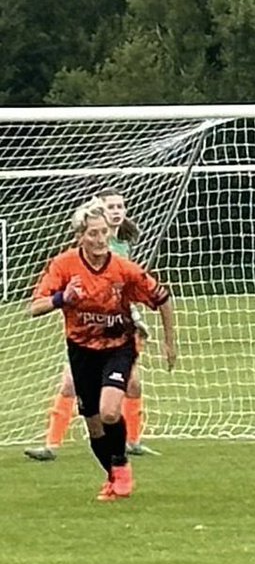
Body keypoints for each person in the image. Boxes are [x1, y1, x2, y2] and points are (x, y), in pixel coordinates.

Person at [28, 200, 177, 500]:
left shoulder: (123, 269)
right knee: (94, 425)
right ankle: (112, 476)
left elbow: (162, 298)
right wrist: (63, 298)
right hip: (81, 350)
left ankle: (121, 465)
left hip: (119, 347)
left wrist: (169, 342)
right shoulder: (64, 265)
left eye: (104, 233)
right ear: (80, 236)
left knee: (110, 411)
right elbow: (34, 306)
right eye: (92, 234)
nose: (99, 240)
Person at [24, 190, 154, 460]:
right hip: (86, 332)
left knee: (134, 385)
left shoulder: (120, 249)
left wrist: (136, 320)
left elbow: (123, 293)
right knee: (71, 383)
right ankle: (52, 444)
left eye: (121, 206)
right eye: (111, 207)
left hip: (117, 331)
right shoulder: (86, 250)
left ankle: (131, 441)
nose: (116, 211)